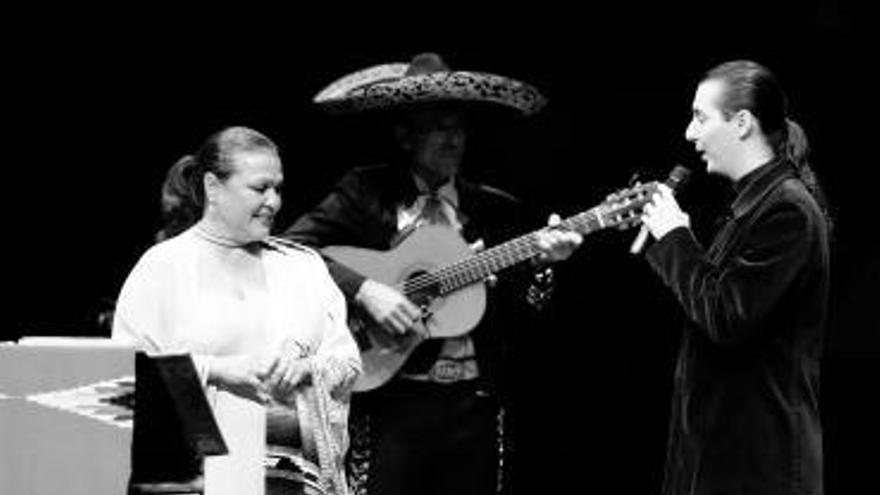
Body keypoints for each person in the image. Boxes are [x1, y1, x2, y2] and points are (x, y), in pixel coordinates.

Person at [281, 53, 583, 495]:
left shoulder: (495, 209)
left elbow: (522, 315)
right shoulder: (366, 193)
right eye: (438, 126)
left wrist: (541, 268)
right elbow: (291, 250)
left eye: (458, 126)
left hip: (473, 406)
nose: (453, 138)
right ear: (405, 135)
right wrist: (365, 290)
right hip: (392, 402)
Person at [112, 126, 362, 495]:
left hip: (292, 484)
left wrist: (308, 368)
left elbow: (348, 362)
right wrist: (218, 369)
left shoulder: (303, 266)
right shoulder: (164, 267)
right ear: (213, 187)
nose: (274, 201)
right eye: (260, 188)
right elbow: (125, 379)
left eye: (278, 188)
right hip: (199, 485)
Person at [639, 60, 832, 494]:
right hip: (724, 462)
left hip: (760, 469)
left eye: (700, 117)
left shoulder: (787, 210)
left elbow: (726, 316)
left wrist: (674, 236)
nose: (690, 133)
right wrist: (671, 240)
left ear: (742, 123)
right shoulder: (751, 205)